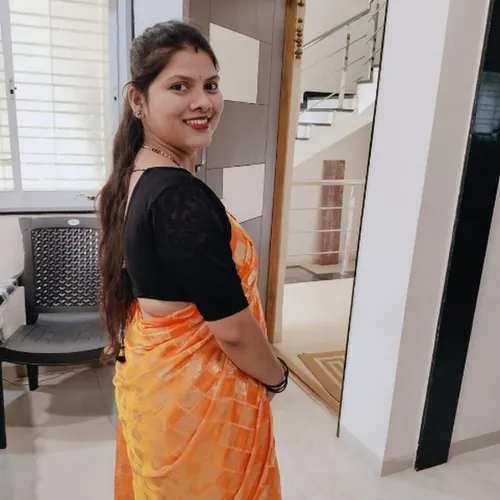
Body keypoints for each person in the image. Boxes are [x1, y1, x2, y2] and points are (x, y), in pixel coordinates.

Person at [97, 20, 288, 499]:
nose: (203, 101)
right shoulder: (179, 197)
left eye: (211, 85)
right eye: (180, 86)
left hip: (158, 387)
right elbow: (234, 331)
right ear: (138, 100)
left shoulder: (136, 174)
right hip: (197, 402)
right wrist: (277, 377)